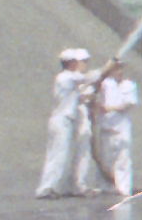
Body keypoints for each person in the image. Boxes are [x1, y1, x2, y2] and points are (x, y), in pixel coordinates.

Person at [35, 46, 96, 198]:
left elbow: (78, 97)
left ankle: (51, 187)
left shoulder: (68, 79)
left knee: (59, 155)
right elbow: (90, 77)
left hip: (63, 120)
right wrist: (109, 66)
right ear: (71, 63)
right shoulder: (67, 77)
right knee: (58, 155)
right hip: (62, 120)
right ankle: (46, 189)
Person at [88, 55, 139, 202]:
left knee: (123, 158)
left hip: (121, 127)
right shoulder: (106, 84)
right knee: (105, 157)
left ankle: (123, 188)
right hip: (106, 126)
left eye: (120, 69)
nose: (119, 72)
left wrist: (110, 108)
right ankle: (104, 186)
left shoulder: (129, 85)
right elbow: (95, 90)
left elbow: (129, 104)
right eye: (116, 69)